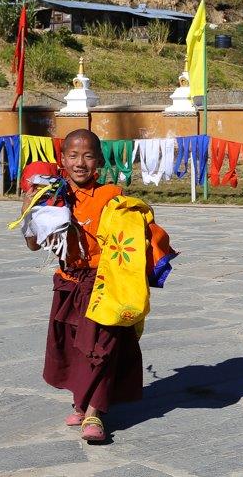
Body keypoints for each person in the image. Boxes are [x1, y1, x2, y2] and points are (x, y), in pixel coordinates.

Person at [21, 129, 142, 443]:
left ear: (99, 161)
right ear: (62, 160)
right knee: (74, 346)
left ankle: (94, 413)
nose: (80, 162)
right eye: (73, 155)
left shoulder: (111, 195)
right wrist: (28, 211)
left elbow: (129, 237)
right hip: (68, 282)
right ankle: (80, 400)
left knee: (99, 348)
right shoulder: (52, 196)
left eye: (88, 155)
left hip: (103, 283)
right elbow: (35, 245)